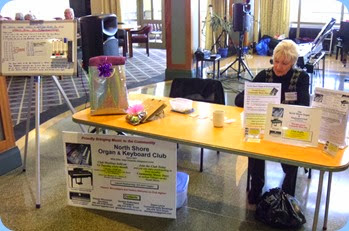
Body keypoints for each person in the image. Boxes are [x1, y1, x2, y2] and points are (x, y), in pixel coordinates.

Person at [235, 39, 310, 204]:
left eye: (284, 63)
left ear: (293, 63)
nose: (278, 67)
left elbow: (305, 106)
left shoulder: (301, 78)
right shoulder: (265, 75)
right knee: (254, 145)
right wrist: (254, 96)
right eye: (276, 61)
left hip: (288, 127)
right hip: (263, 126)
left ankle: (286, 196)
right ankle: (256, 187)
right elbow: (238, 100)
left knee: (292, 153)